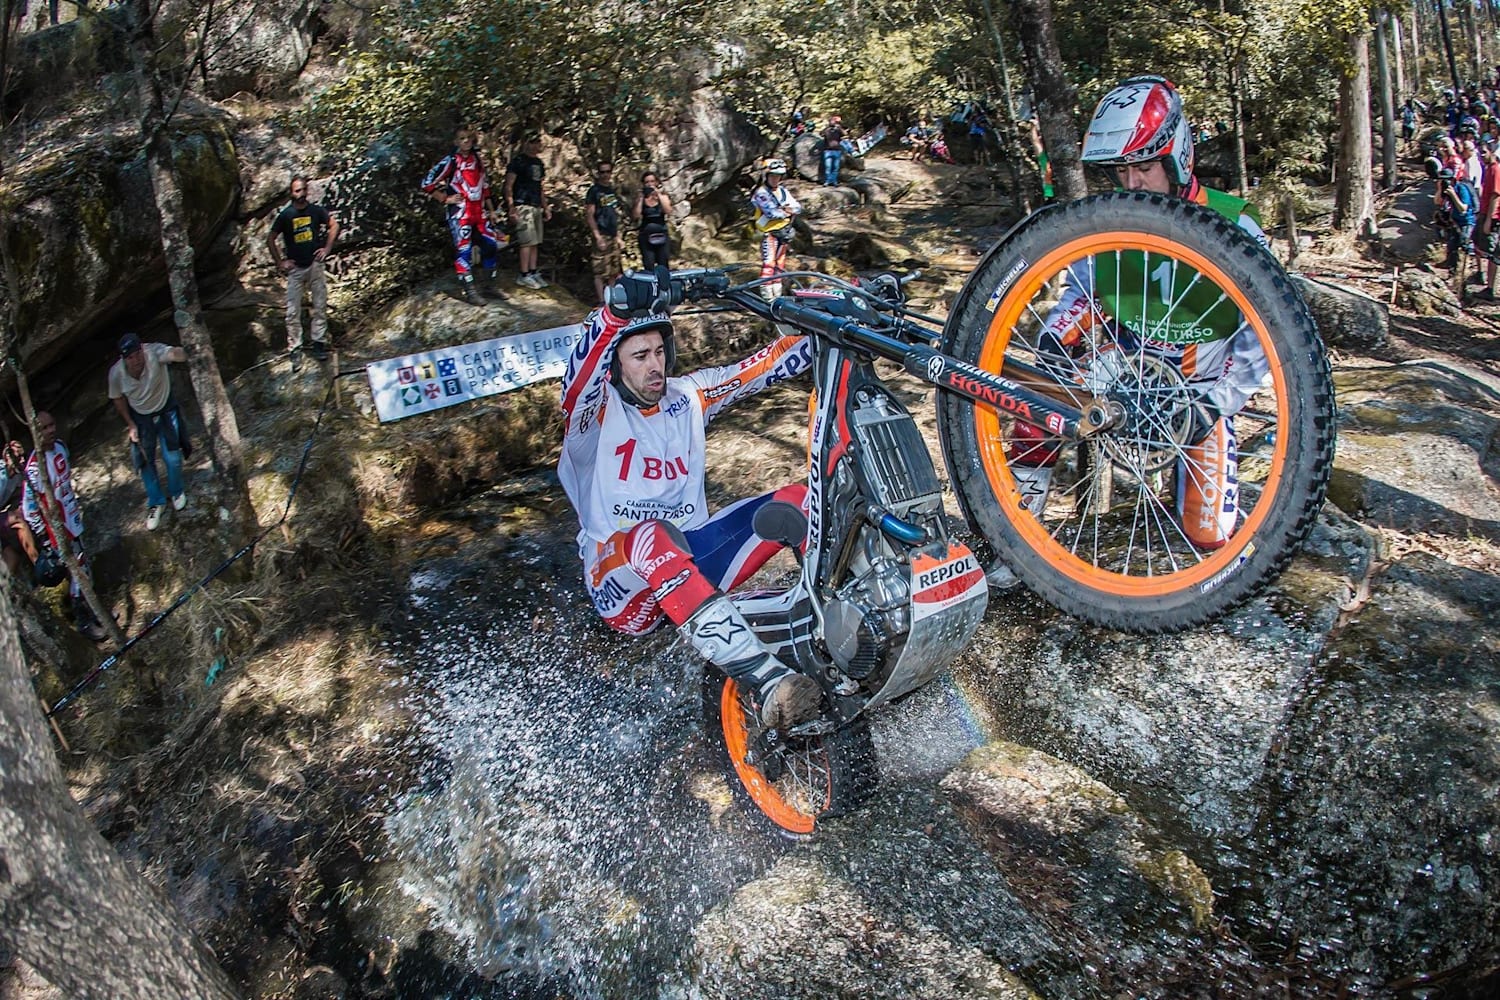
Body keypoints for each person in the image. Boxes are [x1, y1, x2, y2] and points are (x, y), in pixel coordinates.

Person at [996, 75, 1273, 585]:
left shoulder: (1238, 226)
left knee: (1211, 535)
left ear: (1177, 156)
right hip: (1123, 377)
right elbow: (1081, 289)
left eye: (1145, 167)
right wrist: (1057, 335)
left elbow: (1266, 339)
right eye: (1124, 170)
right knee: (1038, 401)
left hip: (1199, 396)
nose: (1134, 183)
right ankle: (1014, 540)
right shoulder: (1108, 221)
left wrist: (1219, 402)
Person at [557, 274, 820, 729]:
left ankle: (833, 623)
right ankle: (766, 678)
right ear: (615, 367)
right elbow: (576, 384)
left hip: (693, 562)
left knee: (798, 501)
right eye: (639, 357)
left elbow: (764, 367)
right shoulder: (591, 420)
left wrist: (832, 324)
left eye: (659, 352)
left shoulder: (688, 397)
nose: (654, 366)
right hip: (622, 586)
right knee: (649, 537)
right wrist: (612, 316)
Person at [21, 412, 108, 640]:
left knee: (84, 568)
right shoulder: (33, 468)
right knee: (80, 572)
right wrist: (47, 538)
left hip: (72, 519)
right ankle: (84, 623)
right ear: (35, 432)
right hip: (58, 530)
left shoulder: (60, 447)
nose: (50, 430)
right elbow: (29, 509)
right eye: (44, 428)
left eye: (52, 425)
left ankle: (95, 614)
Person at [108, 333, 191, 530]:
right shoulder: (116, 374)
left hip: (165, 406)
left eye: (138, 354)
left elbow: (173, 353)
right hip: (140, 415)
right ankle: (156, 501)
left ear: (142, 350)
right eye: (130, 357)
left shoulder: (153, 352)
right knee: (145, 461)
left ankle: (176, 491)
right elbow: (117, 398)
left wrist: (189, 349)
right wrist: (130, 424)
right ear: (123, 359)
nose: (136, 360)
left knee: (173, 457)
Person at [421, 125, 506, 306]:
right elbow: (427, 183)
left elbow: (485, 186)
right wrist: (445, 198)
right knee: (464, 250)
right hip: (460, 213)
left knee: (490, 245)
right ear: (455, 142)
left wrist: (491, 210)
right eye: (461, 138)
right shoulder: (451, 161)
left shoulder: (477, 159)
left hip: (479, 212)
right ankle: (470, 292)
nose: (466, 141)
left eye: (468, 138)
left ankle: (490, 286)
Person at [266, 176, 338, 371]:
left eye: (303, 190)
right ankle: (295, 348)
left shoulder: (315, 211)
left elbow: (334, 225)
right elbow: (271, 238)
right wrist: (280, 261)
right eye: (297, 191)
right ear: (291, 193)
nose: (301, 194)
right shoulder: (286, 215)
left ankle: (319, 343)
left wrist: (327, 248)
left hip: (315, 264)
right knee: (292, 311)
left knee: (320, 305)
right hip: (296, 268)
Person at [749, 159, 802, 300]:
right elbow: (771, 213)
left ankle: (777, 295)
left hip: (783, 232)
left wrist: (785, 210)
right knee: (769, 263)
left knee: (780, 263)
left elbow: (798, 207)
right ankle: (767, 296)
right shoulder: (761, 193)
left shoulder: (783, 191)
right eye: (772, 176)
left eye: (778, 176)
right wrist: (787, 210)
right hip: (769, 233)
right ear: (766, 176)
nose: (775, 179)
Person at [504, 136, 552, 289]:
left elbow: (541, 187)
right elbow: (508, 185)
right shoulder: (518, 162)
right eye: (532, 142)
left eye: (538, 142)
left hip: (536, 204)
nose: (536, 145)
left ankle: (532, 271)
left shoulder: (538, 163)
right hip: (522, 205)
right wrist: (511, 206)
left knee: (535, 241)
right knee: (526, 241)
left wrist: (546, 207)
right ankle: (523, 274)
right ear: (526, 143)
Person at [585, 161, 625, 305]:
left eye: (608, 171)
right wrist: (597, 237)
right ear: (598, 173)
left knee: (614, 271)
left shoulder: (612, 190)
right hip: (601, 234)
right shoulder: (594, 191)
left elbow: (615, 215)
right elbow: (589, 215)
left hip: (613, 235)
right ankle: (602, 301)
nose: (605, 175)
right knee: (599, 271)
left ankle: (612, 299)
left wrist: (619, 236)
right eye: (602, 172)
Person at [0, 439, 39, 578]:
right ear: (7, 457)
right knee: (17, 521)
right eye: (17, 457)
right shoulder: (1, 475)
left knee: (12, 558)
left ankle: (8, 591)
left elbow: (19, 495)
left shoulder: (17, 475)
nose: (21, 460)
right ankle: (39, 563)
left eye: (22, 456)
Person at [1434, 166, 1478, 271]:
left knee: (1466, 245)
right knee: (1452, 244)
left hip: (1466, 221)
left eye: (1446, 180)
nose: (1445, 182)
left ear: (1453, 180)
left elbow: (1463, 209)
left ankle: (1470, 269)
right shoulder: (1445, 189)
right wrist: (1440, 189)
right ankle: (1451, 267)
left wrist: (1453, 195)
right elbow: (1437, 202)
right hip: (1455, 220)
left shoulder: (1461, 188)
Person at [633, 169, 674, 271]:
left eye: (652, 181)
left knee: (663, 265)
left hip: (661, 233)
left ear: (656, 182)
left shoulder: (663, 196)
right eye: (647, 182)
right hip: (646, 235)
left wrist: (658, 195)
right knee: (649, 265)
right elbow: (635, 216)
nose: (649, 184)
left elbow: (668, 211)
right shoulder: (640, 198)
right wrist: (641, 198)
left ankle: (664, 286)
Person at [1476, 138, 1500, 300]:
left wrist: (1489, 219)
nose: (1481, 155)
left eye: (1484, 152)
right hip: (1485, 213)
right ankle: (1488, 285)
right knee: (1484, 249)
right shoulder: (1488, 168)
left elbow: (1495, 195)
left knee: (1493, 253)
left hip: (1493, 217)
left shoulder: (1495, 170)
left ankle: (1490, 287)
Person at [821, 114, 847, 186]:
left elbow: (845, 134)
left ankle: (834, 181)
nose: (832, 122)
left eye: (833, 121)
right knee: (828, 167)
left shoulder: (838, 130)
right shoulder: (827, 130)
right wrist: (827, 127)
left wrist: (840, 127)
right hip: (827, 151)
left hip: (837, 150)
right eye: (831, 121)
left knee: (835, 167)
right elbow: (821, 134)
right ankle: (828, 181)